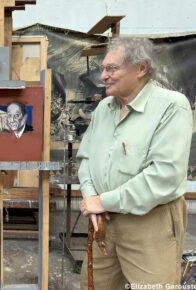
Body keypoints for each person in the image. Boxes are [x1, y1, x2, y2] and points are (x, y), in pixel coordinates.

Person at [77, 37, 193, 289]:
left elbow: (164, 176)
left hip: (150, 224)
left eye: (112, 68)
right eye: (103, 68)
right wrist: (90, 200)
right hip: (103, 221)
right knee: (96, 285)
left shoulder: (171, 107)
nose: (103, 76)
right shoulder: (104, 108)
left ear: (141, 68)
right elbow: (85, 158)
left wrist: (102, 201)